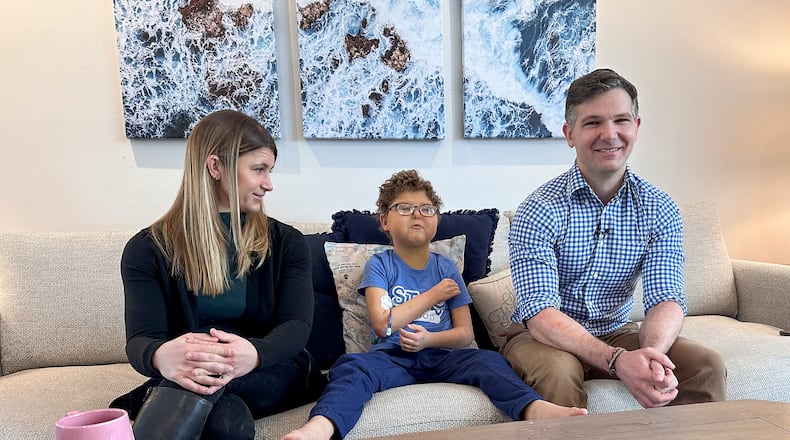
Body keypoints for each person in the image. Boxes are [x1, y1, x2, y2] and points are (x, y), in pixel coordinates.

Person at [283, 170, 586, 440]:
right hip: (391, 358)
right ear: (384, 221)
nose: (417, 214)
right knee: (351, 367)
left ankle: (534, 408)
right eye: (405, 208)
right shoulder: (380, 265)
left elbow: (465, 334)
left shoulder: (446, 268)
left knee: (490, 362)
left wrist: (429, 339)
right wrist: (432, 295)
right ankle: (320, 428)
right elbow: (382, 323)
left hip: (444, 356)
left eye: (426, 209)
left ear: (436, 219)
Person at [501, 68, 727, 410]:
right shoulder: (539, 209)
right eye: (592, 123)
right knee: (558, 374)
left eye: (621, 120)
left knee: (706, 366)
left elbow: (666, 298)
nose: (610, 134)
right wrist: (617, 359)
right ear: (569, 134)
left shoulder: (659, 207)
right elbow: (540, 313)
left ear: (636, 127)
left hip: (618, 329)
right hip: (542, 338)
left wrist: (651, 354)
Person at [111, 109, 324, 440]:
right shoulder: (147, 249)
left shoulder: (287, 244)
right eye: (259, 170)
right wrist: (160, 355)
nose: (269, 184)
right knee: (225, 421)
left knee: (165, 393)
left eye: (269, 171)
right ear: (215, 167)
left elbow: (296, 327)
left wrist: (252, 354)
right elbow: (141, 339)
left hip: (271, 369)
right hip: (194, 375)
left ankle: (133, 409)